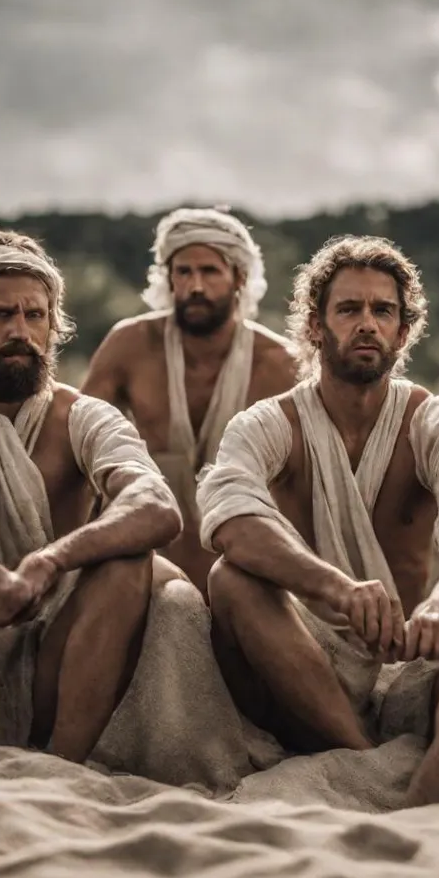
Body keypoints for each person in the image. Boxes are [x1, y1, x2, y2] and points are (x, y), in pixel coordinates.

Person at [197, 235, 439, 807]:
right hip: (308, 665)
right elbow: (229, 510)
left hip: (417, 661)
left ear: (403, 331)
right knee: (229, 578)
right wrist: (336, 588)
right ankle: (365, 760)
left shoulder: (437, 424)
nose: (367, 324)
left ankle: (425, 800)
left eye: (383, 311)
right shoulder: (269, 423)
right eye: (349, 309)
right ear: (315, 325)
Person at [0, 228, 247, 789]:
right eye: (1, 315)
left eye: (36, 315)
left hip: (53, 654)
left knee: (129, 561)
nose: (22, 332)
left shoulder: (82, 416)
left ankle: (62, 771)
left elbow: (155, 503)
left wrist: (46, 563)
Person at [82, 208, 296, 594]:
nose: (195, 286)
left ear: (239, 278)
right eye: (183, 271)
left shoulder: (281, 363)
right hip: (149, 564)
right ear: (169, 278)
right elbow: (78, 444)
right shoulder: (129, 345)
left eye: (210, 271)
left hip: (249, 570)